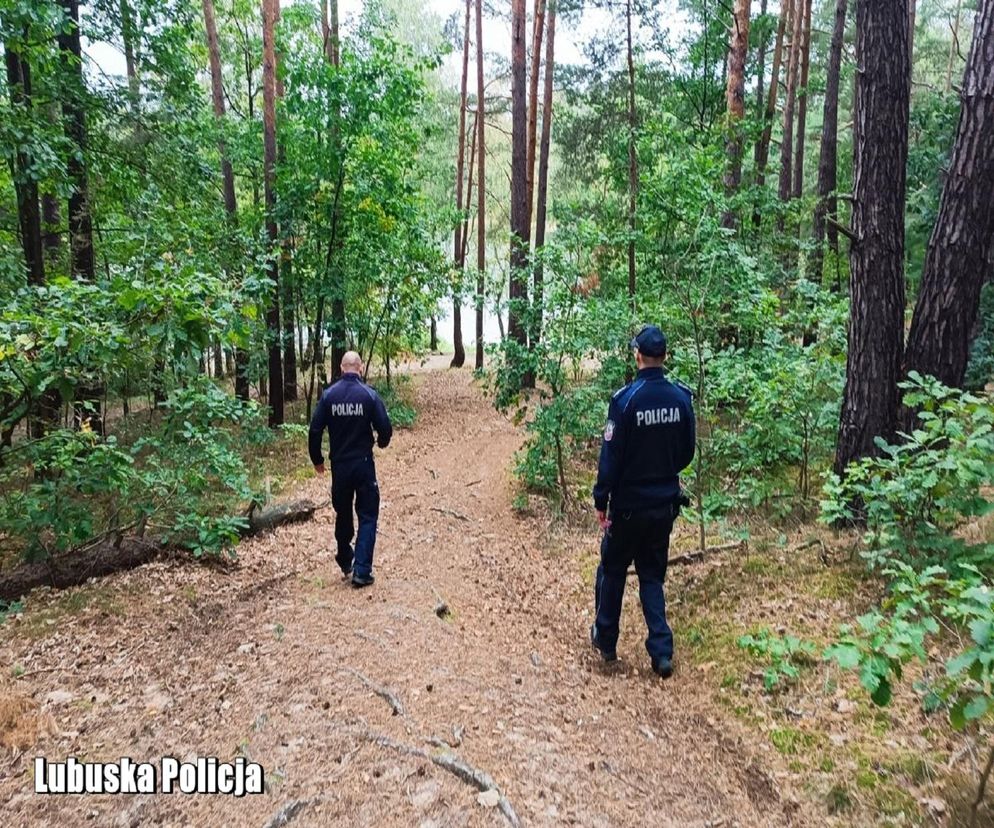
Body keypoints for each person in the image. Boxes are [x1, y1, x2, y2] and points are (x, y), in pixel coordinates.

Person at [590, 325, 695, 678]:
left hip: (629, 507)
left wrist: (601, 497)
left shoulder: (625, 401)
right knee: (652, 576)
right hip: (663, 506)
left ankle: (605, 641)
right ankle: (661, 652)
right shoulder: (681, 400)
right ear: (664, 357)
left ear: (638, 356)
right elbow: (686, 453)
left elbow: (611, 457)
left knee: (614, 568)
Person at [308, 351, 393, 587]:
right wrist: (383, 442)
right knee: (367, 514)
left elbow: (315, 430)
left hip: (340, 466)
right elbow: (385, 427)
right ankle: (362, 570)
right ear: (361, 368)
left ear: (341, 368)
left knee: (343, 512)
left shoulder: (328, 396)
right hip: (364, 464)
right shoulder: (369, 395)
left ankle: (346, 559)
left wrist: (317, 459)